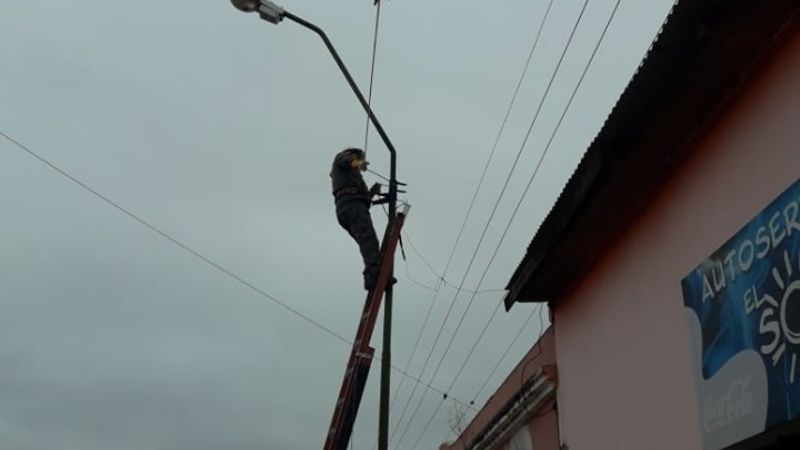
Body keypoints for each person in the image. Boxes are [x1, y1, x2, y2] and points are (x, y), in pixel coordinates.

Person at [330, 148, 386, 290]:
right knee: (368, 240)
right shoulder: (341, 160)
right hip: (351, 205)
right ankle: (373, 275)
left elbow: (366, 199)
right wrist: (357, 162)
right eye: (358, 159)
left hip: (349, 208)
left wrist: (373, 191)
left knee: (367, 242)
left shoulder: (355, 178)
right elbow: (345, 161)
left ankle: (372, 276)